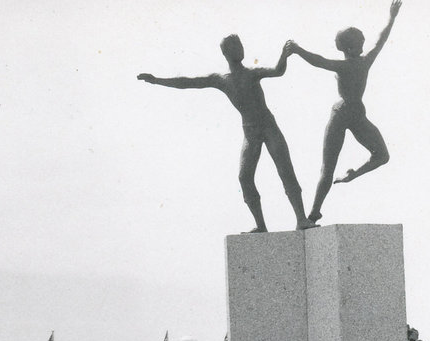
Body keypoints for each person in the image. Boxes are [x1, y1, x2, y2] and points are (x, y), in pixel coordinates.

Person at [139, 35, 316, 233]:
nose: (239, 49)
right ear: (225, 53)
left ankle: (301, 218)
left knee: (285, 170)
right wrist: (156, 81)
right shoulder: (221, 79)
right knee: (244, 177)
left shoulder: (252, 73)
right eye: (234, 47)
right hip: (250, 132)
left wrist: (284, 55)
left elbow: (277, 71)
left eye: (240, 45)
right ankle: (261, 225)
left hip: (269, 127)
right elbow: (188, 82)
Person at [287, 1, 401, 222]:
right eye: (360, 43)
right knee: (328, 168)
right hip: (343, 115)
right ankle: (313, 212)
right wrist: (392, 17)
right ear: (350, 48)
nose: (363, 46)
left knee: (381, 156)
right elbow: (320, 61)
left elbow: (379, 40)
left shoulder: (356, 63)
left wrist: (298, 50)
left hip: (354, 114)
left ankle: (350, 176)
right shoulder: (357, 63)